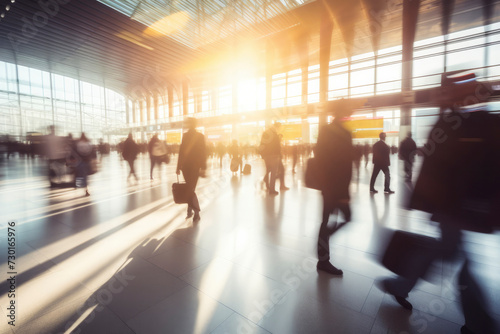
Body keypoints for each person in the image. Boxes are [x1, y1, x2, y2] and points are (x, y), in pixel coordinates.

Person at [314, 103, 354, 276]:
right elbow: (345, 165)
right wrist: (343, 193)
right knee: (346, 217)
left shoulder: (325, 130)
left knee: (326, 220)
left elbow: (319, 157)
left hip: (328, 186)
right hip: (336, 187)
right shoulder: (344, 134)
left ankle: (323, 247)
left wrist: (324, 185)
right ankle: (323, 254)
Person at [176, 117, 207, 222]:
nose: (186, 124)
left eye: (187, 123)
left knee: (190, 189)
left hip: (186, 167)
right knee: (190, 189)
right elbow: (203, 152)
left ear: (191, 124)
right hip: (194, 167)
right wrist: (203, 167)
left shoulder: (186, 136)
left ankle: (194, 211)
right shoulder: (200, 136)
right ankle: (193, 211)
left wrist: (178, 167)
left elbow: (181, 152)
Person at [259, 122, 282, 195]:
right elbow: (277, 146)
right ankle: (272, 190)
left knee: (268, 169)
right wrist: (279, 155)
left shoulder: (265, 133)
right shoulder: (274, 134)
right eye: (279, 127)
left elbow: (262, 144)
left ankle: (267, 183)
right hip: (274, 156)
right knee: (273, 172)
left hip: (266, 156)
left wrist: (262, 154)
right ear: (277, 127)